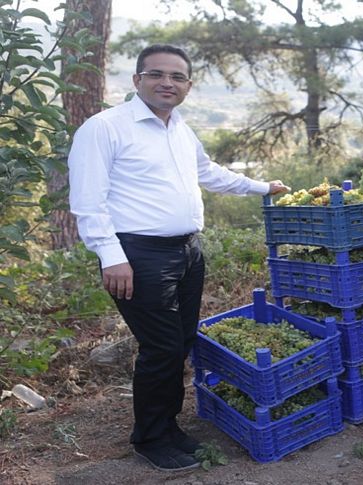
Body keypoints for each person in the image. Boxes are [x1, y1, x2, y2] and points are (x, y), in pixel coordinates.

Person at [68, 44, 290, 471]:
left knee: (181, 341)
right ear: (137, 81)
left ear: (188, 85)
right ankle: (151, 438)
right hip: (138, 254)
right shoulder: (104, 128)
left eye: (177, 77)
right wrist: (112, 258)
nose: (167, 83)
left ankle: (167, 426)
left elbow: (208, 173)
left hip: (188, 251)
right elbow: (88, 202)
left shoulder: (179, 128)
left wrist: (263, 187)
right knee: (162, 346)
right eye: (157, 74)